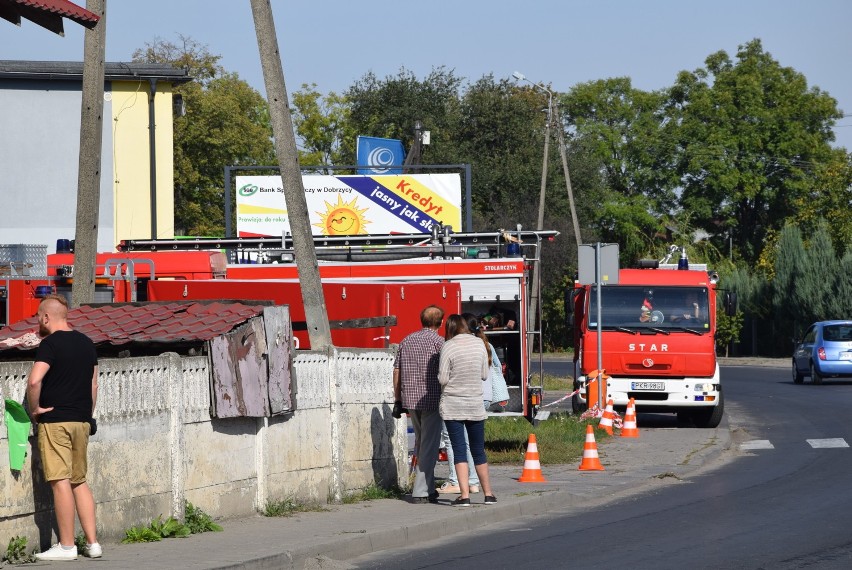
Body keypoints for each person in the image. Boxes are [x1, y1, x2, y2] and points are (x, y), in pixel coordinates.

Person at [26, 294, 101, 560]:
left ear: (46, 317)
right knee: (79, 481)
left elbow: (35, 381)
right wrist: (86, 415)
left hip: (56, 421)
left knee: (61, 482)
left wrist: (35, 410)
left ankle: (67, 546)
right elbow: (93, 385)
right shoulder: (87, 343)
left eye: (38, 315)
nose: (37, 320)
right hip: (81, 420)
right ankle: (93, 544)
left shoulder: (50, 344)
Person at [438, 314, 496, 507]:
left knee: (459, 449)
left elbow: (443, 379)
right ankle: (488, 494)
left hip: (453, 405)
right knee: (478, 449)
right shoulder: (479, 344)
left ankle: (464, 496)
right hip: (474, 404)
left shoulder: (448, 346)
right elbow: (484, 374)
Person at [393, 305, 445, 504]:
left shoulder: (407, 340)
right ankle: (421, 491)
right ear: (440, 323)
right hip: (431, 399)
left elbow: (396, 371)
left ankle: (429, 489)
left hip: (410, 400)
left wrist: (398, 399)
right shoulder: (439, 342)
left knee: (422, 443)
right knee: (429, 446)